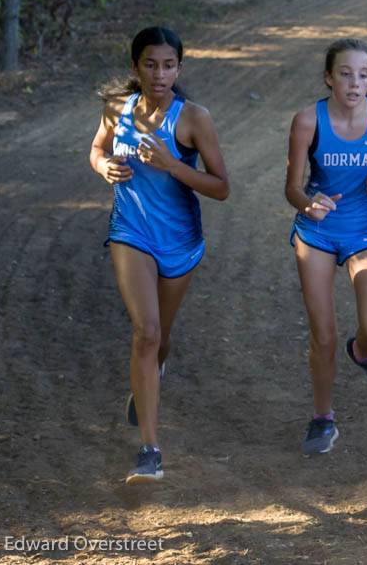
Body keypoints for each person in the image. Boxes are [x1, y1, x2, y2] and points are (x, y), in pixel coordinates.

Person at [88, 26, 231, 484]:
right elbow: (97, 148)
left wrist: (172, 165)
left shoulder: (193, 119)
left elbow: (222, 187)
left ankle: (152, 372)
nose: (160, 73)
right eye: (150, 64)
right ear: (136, 67)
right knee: (145, 332)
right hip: (131, 231)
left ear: (179, 69)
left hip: (180, 241)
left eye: (169, 65)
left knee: (160, 338)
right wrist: (102, 165)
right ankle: (150, 450)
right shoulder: (117, 110)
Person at [285, 38, 367, 455]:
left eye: (363, 74)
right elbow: (292, 187)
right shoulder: (308, 121)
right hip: (317, 234)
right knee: (322, 335)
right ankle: (323, 419)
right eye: (345, 74)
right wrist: (308, 203)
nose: (355, 83)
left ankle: (362, 353)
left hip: (365, 233)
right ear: (328, 78)